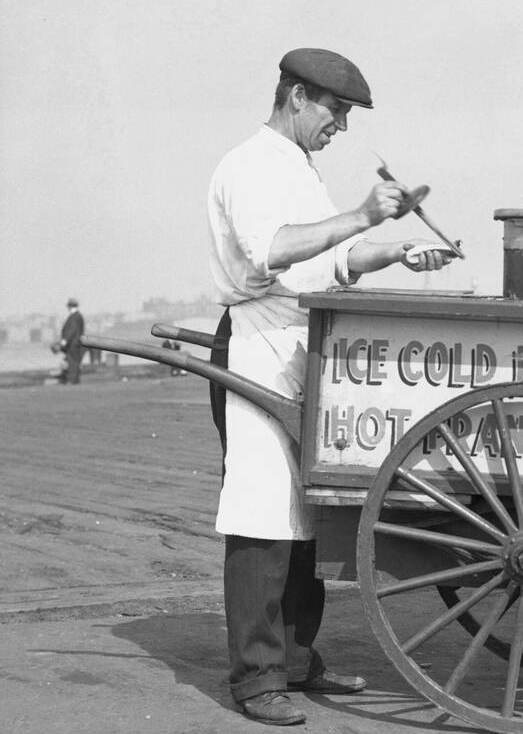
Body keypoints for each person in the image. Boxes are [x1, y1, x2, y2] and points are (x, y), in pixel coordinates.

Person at [207, 47, 454, 726]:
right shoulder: (247, 165)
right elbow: (274, 249)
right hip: (256, 343)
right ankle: (256, 679)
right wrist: (364, 216)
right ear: (295, 97)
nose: (340, 126)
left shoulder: (299, 169)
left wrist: (399, 251)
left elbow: (336, 257)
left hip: (305, 340)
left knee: (307, 511)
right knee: (261, 513)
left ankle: (293, 658)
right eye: (335, 110)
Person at [58, 298, 85, 384]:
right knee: (74, 361)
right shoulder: (78, 316)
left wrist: (65, 340)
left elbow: (72, 329)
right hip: (75, 343)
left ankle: (73, 380)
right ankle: (74, 379)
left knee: (72, 361)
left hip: (73, 343)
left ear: (70, 306)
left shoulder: (74, 316)